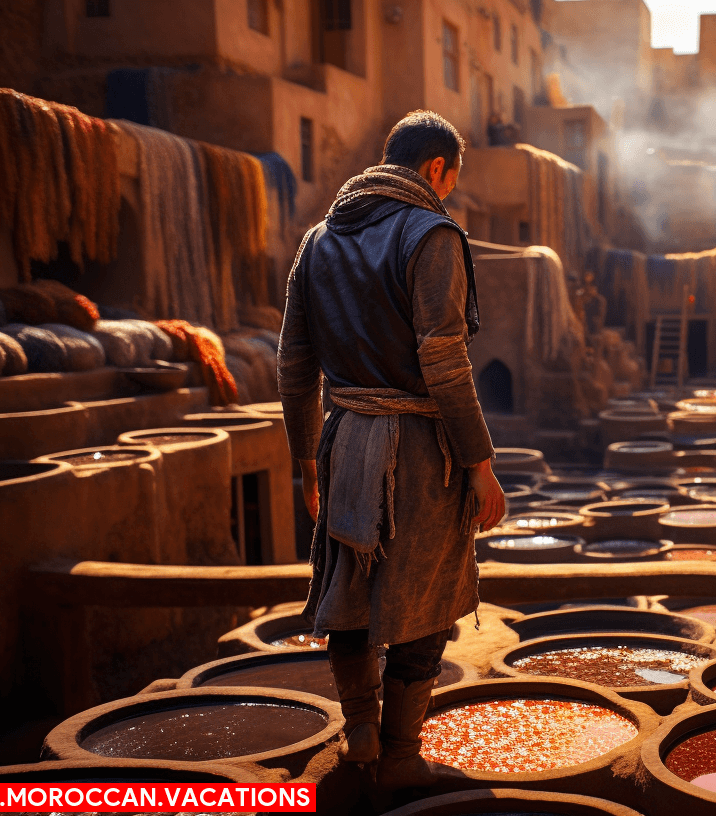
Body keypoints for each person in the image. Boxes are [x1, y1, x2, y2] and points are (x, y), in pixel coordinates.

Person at [277, 111, 506, 789]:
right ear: (436, 168)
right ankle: (402, 757)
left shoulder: (316, 241)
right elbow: (445, 361)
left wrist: (305, 462)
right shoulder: (431, 233)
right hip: (419, 453)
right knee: (425, 601)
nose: (450, 197)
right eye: (451, 183)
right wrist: (481, 465)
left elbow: (293, 362)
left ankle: (362, 741)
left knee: (349, 594)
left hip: (345, 440)